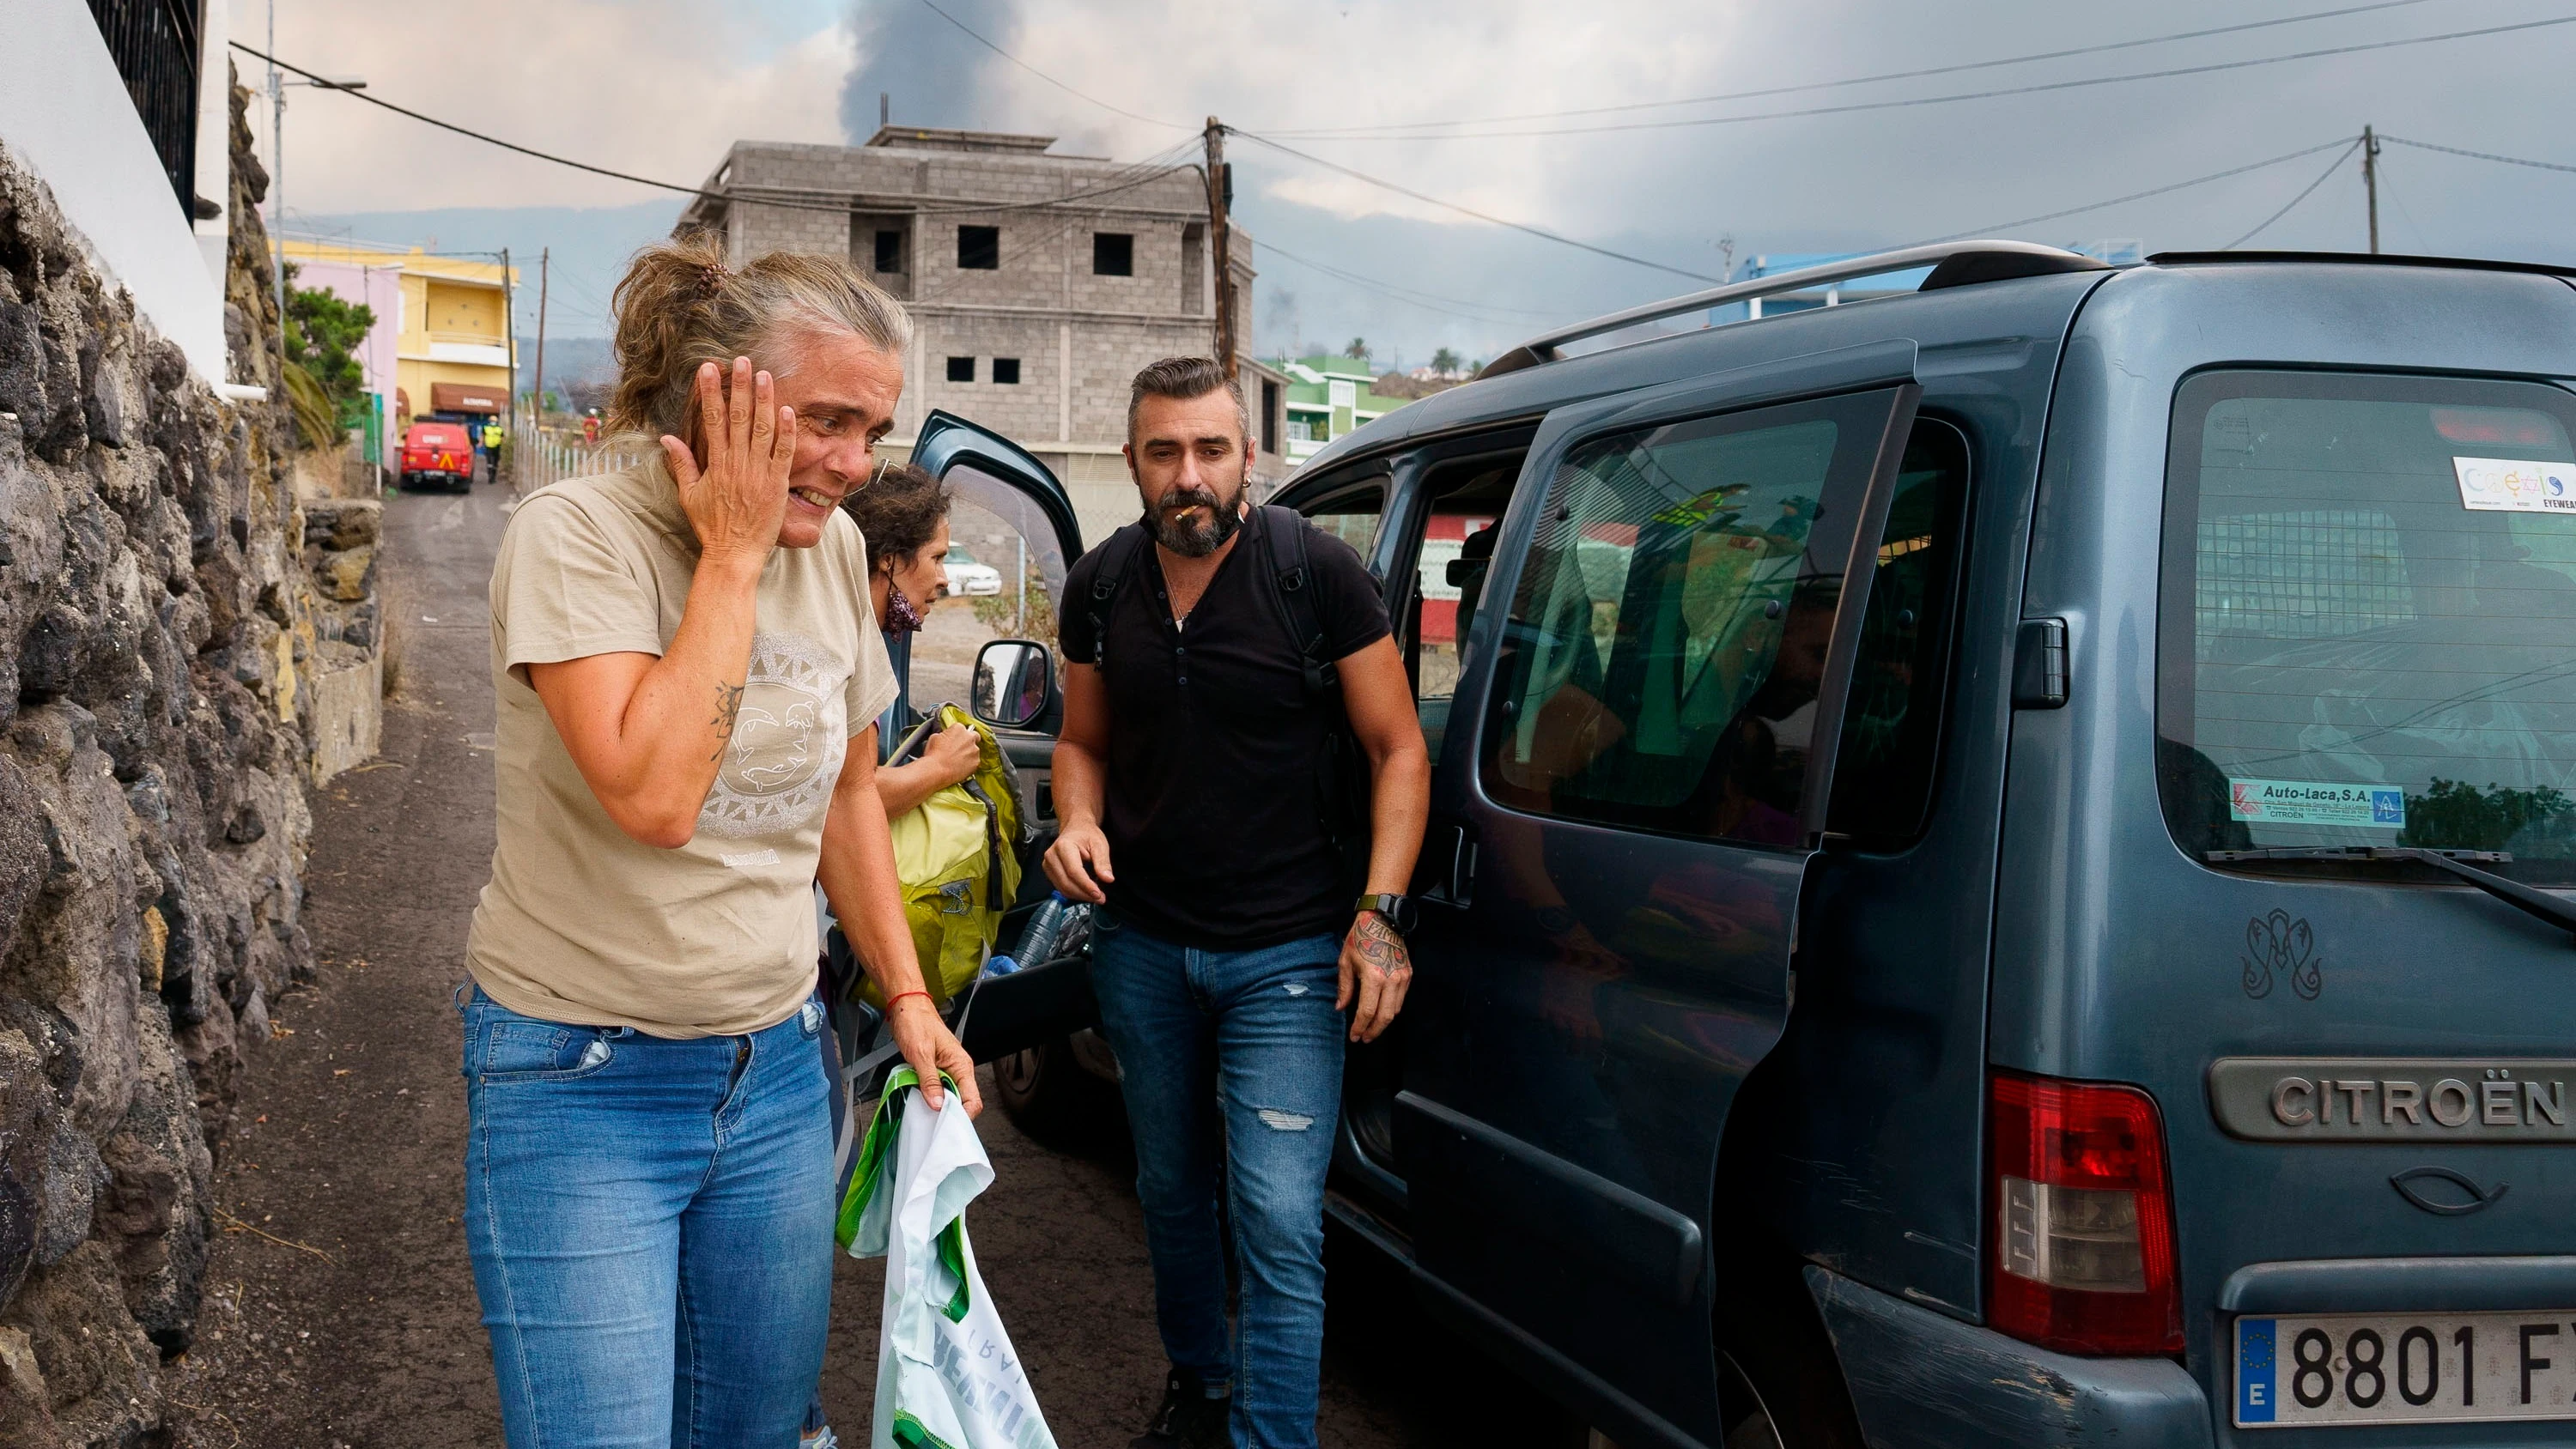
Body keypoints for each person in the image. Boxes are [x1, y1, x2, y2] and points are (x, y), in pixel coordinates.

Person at [463, 233, 979, 1449]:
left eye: (876, 431)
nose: (856, 468)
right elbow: (653, 793)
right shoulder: (577, 535)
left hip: (776, 1075)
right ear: (718, 394)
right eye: (828, 422)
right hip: (579, 1080)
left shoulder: (840, 547)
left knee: (753, 1432)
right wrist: (736, 557)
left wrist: (905, 994)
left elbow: (848, 793)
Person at [1044, 357, 1431, 1449]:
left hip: (1292, 953)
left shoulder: (1318, 575)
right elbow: (1079, 741)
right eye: (1163, 452)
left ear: (1247, 457)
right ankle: (1201, 1386)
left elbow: (1398, 749)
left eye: (1210, 449)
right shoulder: (1102, 585)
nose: (1188, 474)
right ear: (1132, 461)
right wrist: (1077, 819)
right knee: (1171, 1187)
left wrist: (1380, 912)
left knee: (1275, 1217)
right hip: (1143, 945)